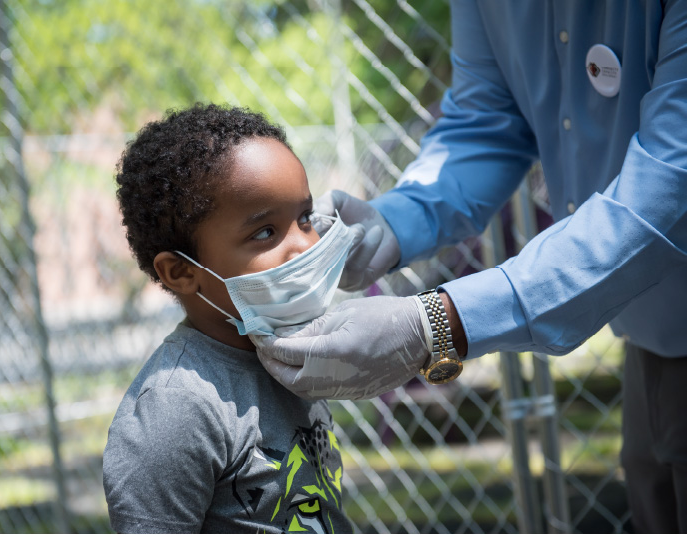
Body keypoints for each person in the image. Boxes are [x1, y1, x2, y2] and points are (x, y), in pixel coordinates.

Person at [253, 1, 687, 531]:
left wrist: (434, 326)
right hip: (657, 329)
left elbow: (669, 187)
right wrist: (393, 223)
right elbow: (486, 122)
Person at [103, 103, 354, 533]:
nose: (306, 246)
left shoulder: (286, 350)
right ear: (182, 272)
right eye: (264, 232)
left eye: (305, 218)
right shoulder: (176, 409)